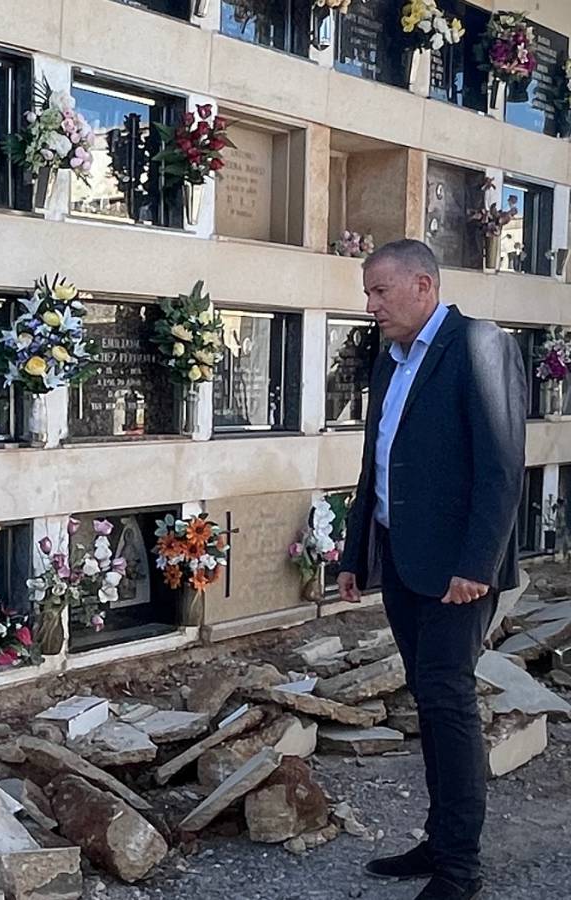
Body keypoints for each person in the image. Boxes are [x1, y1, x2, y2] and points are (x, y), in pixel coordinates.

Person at [338, 240, 526, 900]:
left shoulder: (479, 346)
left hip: (457, 574)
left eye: (380, 292)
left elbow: (502, 468)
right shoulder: (390, 362)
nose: (370, 306)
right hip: (402, 564)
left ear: (422, 285)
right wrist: (355, 554)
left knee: (448, 704)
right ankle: (439, 839)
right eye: (367, 293)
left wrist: (479, 562)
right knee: (430, 701)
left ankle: (459, 869)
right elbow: (377, 465)